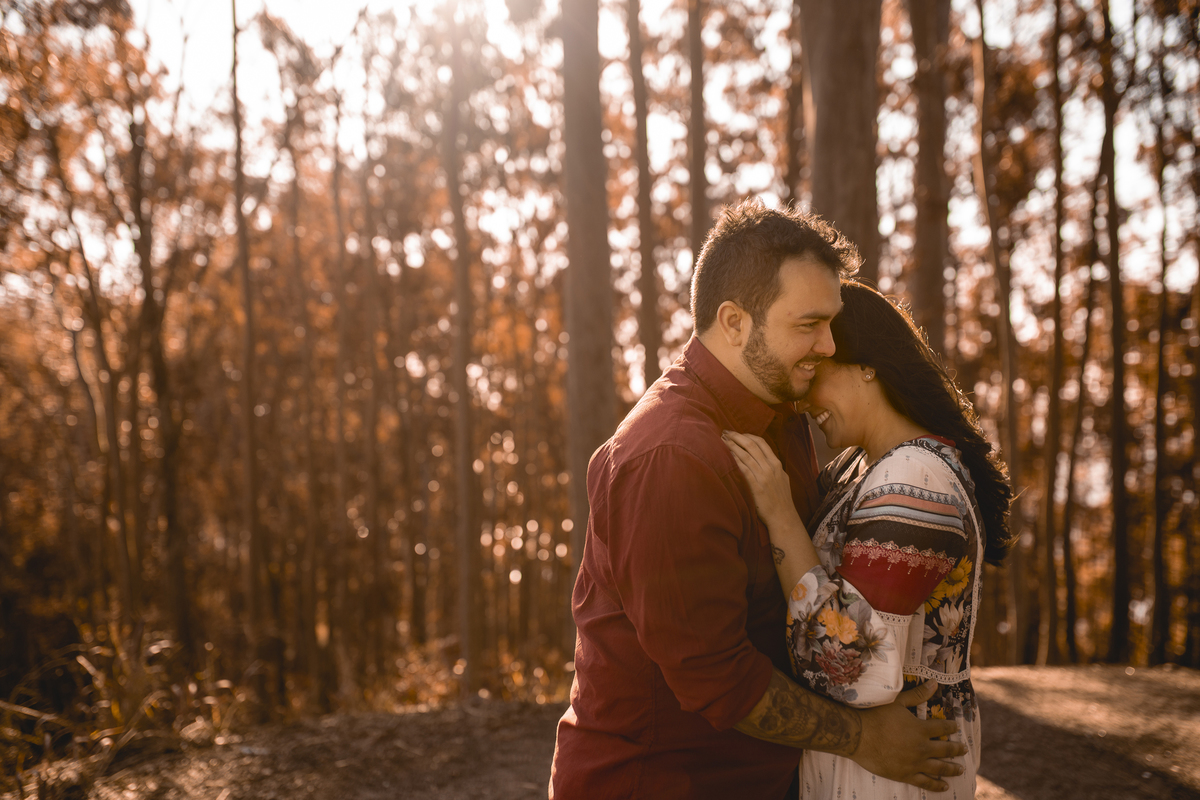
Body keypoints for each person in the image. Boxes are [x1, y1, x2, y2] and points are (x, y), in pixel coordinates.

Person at [549, 201, 967, 799]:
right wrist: (865, 738)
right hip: (659, 783)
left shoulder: (783, 416)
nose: (828, 346)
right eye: (808, 325)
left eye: (831, 323)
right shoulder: (670, 458)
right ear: (735, 321)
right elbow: (717, 679)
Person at [723, 281, 1014, 799]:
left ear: (867, 365)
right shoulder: (864, 467)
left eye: (816, 372)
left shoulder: (915, 478)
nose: (803, 397)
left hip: (897, 767)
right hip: (868, 760)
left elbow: (851, 666)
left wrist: (779, 513)